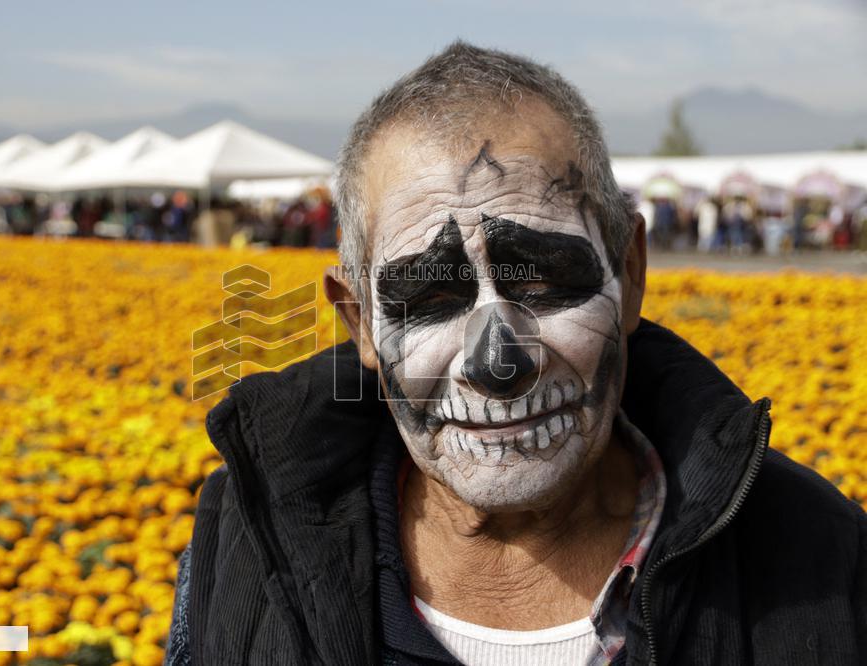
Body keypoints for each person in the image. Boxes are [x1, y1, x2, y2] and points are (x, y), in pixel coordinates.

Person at [165, 42, 866, 666]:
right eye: (431, 297)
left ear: (629, 276)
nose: (497, 363)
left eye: (542, 282)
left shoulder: (816, 555)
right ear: (361, 323)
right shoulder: (248, 543)